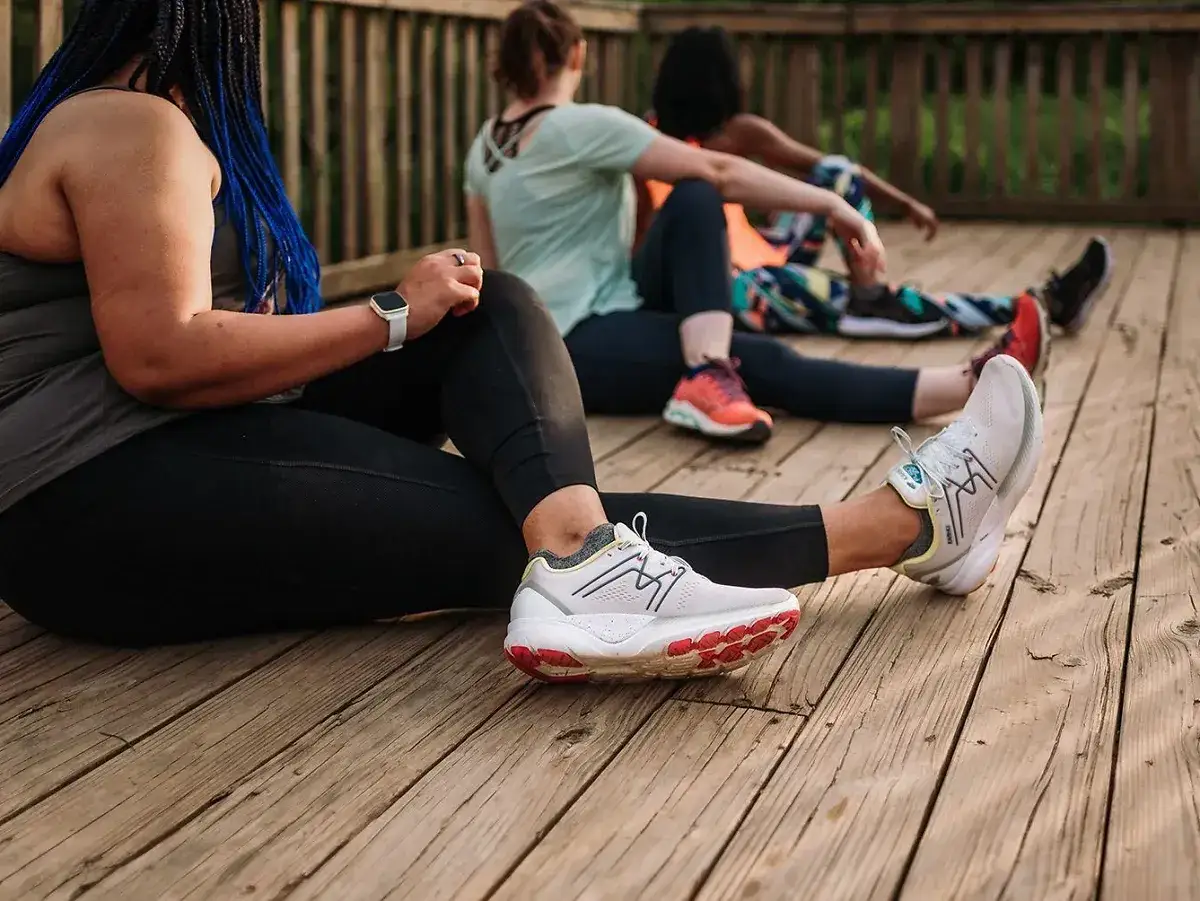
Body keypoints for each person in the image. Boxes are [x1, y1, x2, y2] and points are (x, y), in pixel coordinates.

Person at [0, 0, 1042, 686]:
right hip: (82, 499)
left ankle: (586, 558)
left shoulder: (142, 123)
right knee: (495, 527)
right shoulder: (133, 126)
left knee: (488, 306)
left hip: (179, 440)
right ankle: (901, 526)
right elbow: (159, 354)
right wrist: (386, 316)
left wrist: (421, 311)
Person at [465, 0, 1052, 446]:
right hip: (574, 345)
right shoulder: (583, 124)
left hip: (552, 329)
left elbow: (488, 273)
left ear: (507, 68)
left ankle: (708, 372)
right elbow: (720, 168)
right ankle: (971, 387)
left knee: (693, 200)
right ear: (579, 55)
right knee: (763, 359)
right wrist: (831, 204)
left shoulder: (483, 150)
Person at [644, 26, 1114, 341]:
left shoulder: (739, 133)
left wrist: (904, 202)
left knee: (836, 174)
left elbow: (837, 168)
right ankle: (1038, 306)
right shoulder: (643, 144)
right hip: (732, 287)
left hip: (768, 255)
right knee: (861, 302)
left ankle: (871, 288)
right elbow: (642, 245)